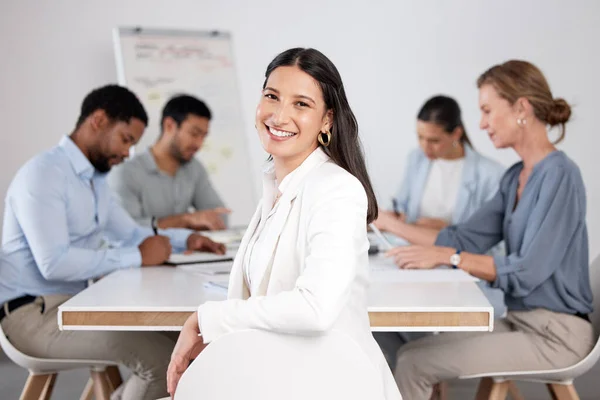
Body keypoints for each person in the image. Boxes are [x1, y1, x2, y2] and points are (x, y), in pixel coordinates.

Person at [165, 48, 402, 399]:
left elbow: (314, 308)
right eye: (272, 97)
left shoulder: (336, 188)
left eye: (301, 104)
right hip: (277, 377)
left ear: (327, 120)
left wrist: (206, 320)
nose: (279, 115)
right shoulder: (276, 188)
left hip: (328, 384)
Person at [0, 85, 224, 400]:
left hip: (78, 306)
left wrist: (185, 238)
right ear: (99, 120)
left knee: (191, 342)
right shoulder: (43, 174)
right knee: (164, 363)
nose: (127, 153)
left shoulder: (95, 181)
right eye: (126, 139)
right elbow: (53, 263)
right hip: (31, 317)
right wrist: (135, 256)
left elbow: (131, 233)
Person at [386, 60, 594, 400]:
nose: (480, 124)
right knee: (409, 353)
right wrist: (392, 224)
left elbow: (528, 271)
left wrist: (451, 258)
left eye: (486, 111)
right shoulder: (515, 177)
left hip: (556, 335)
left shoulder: (561, 175)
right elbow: (462, 237)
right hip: (520, 321)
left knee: (415, 364)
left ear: (521, 108)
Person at [372, 96, 506, 368]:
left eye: (433, 140)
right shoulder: (417, 160)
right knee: (374, 316)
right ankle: (414, 374)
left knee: (412, 322)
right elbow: (403, 207)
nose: (425, 147)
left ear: (456, 133)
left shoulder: (491, 174)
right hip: (416, 260)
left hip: (459, 270)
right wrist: (399, 218)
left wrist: (441, 227)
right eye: (420, 137)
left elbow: (490, 241)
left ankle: (418, 372)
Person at [108, 94, 230, 231]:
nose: (199, 144)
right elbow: (125, 230)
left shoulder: (194, 168)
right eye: (194, 134)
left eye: (203, 136)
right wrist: (186, 220)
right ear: (169, 125)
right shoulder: (126, 172)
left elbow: (220, 216)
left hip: (189, 251)